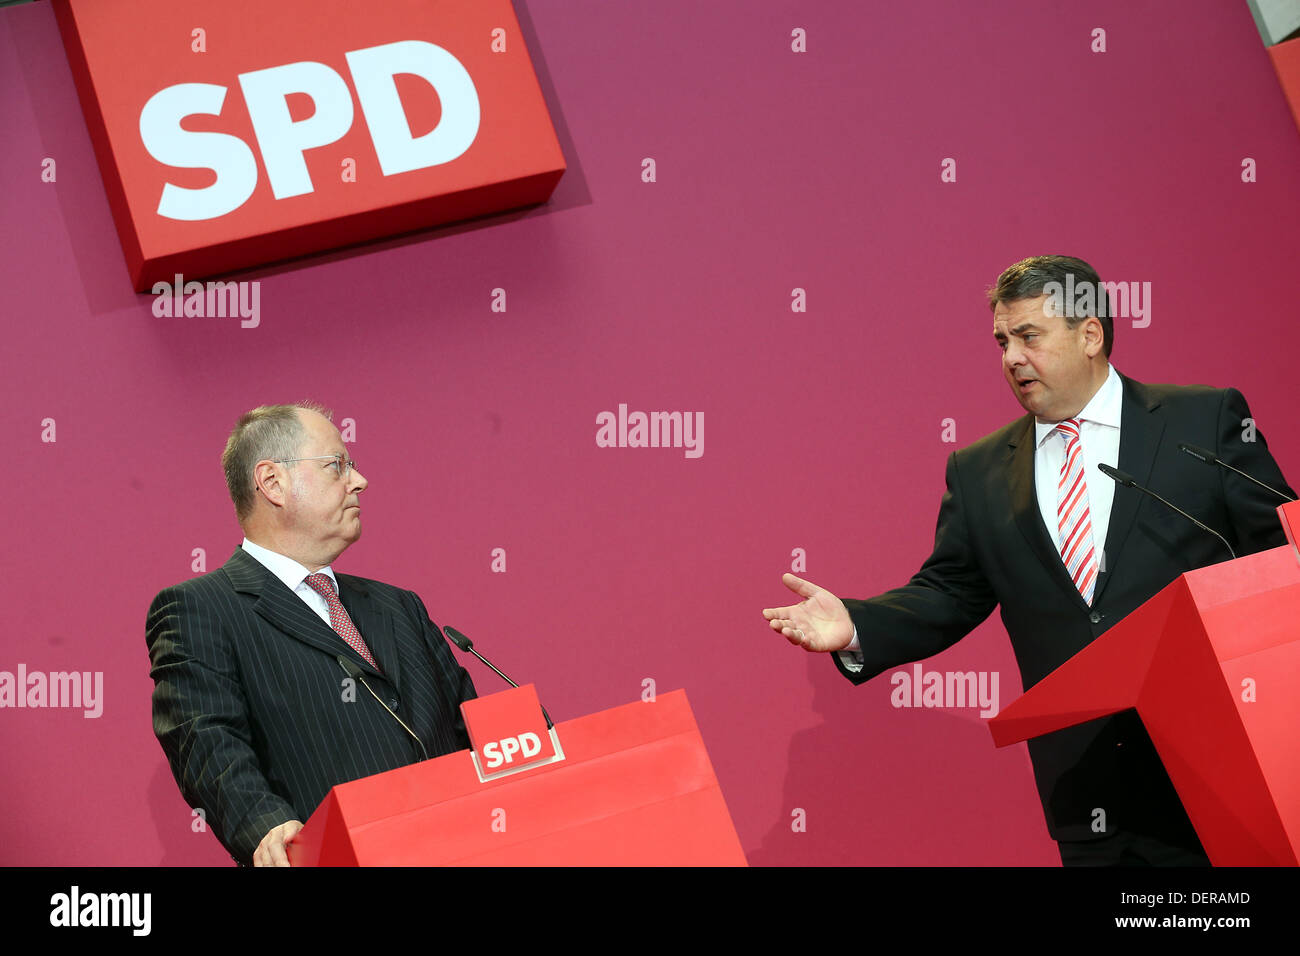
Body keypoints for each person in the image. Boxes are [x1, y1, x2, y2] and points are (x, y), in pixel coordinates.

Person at [762, 255, 1295, 866]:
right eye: (1002, 340)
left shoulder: (1204, 421)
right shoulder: (980, 470)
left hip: (1227, 771)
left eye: (1029, 336)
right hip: (1090, 792)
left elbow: (1282, 562)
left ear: (1090, 334)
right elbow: (951, 591)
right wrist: (857, 626)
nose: (1012, 357)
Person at [146, 403, 475, 866]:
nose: (359, 482)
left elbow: (471, 721)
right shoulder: (202, 608)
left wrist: (533, 744)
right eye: (336, 466)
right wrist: (263, 823)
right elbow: (204, 737)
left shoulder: (399, 605)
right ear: (272, 483)